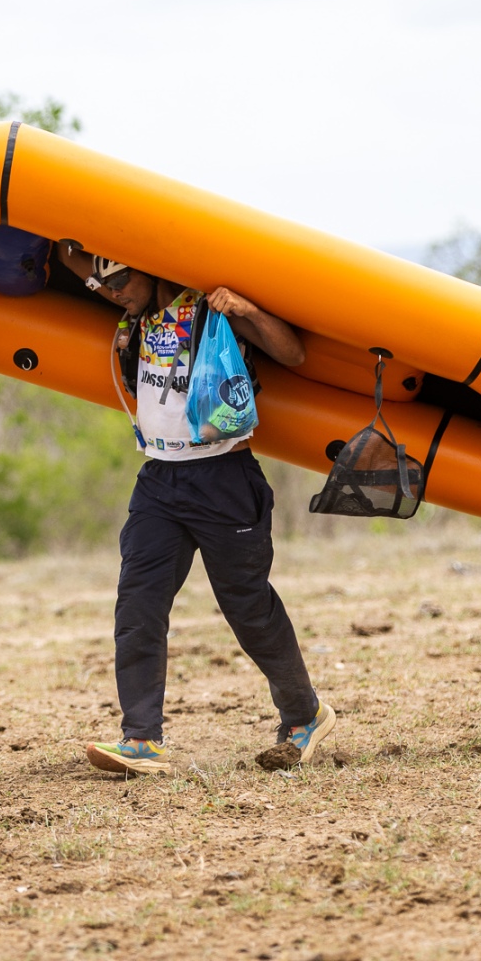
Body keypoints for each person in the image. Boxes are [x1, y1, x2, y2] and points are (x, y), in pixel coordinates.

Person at [61, 245, 335, 776]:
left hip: (223, 478)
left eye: (119, 280)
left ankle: (305, 716)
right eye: (104, 284)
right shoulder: (135, 312)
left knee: (248, 608)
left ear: (149, 267)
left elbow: (293, 354)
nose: (112, 292)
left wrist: (248, 310)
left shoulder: (211, 307)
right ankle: (141, 739)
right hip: (159, 481)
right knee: (137, 605)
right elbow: (74, 259)